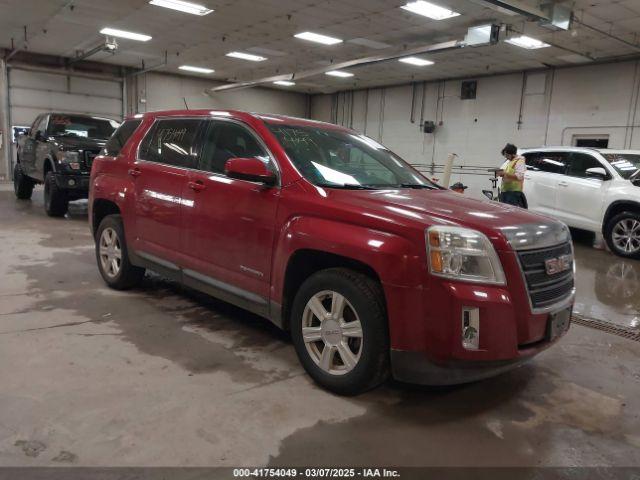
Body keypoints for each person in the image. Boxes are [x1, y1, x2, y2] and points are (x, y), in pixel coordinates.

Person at [497, 143, 528, 208]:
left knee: (510, 212)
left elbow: (519, 176)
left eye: (507, 155)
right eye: (505, 155)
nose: (506, 157)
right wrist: (502, 174)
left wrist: (505, 174)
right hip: (506, 191)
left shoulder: (519, 161)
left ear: (513, 154)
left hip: (513, 193)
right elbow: (509, 174)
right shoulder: (510, 161)